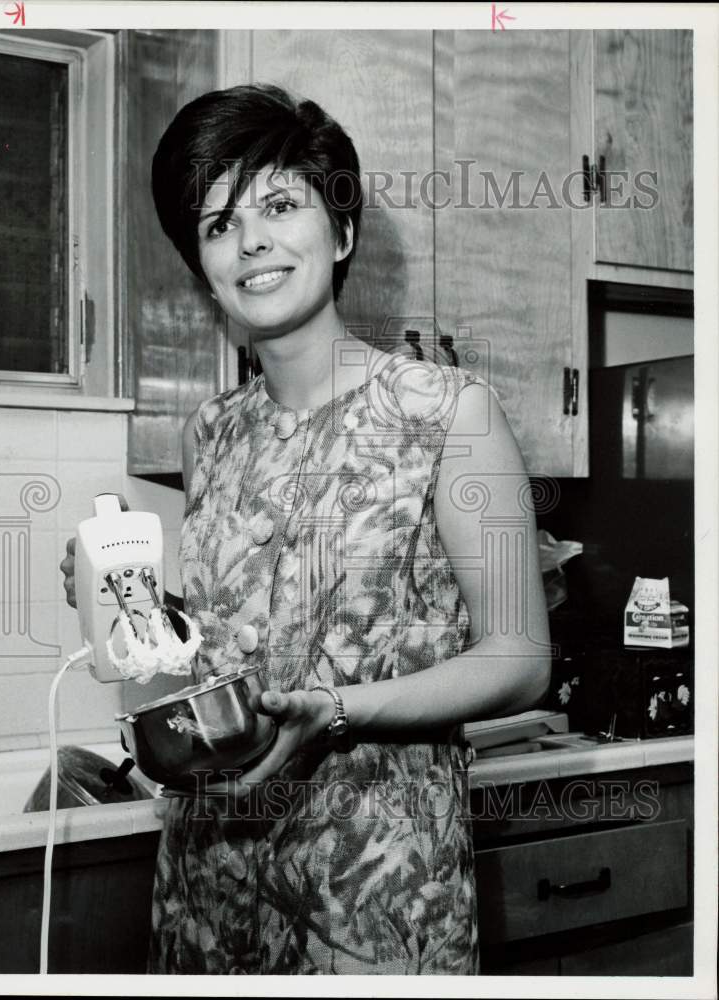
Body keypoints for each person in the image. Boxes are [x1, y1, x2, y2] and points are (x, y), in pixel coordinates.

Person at [61, 83, 550, 975]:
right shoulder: (211, 431)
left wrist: (333, 713)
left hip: (374, 887)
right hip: (211, 881)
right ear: (202, 267)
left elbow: (520, 656)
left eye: (280, 206)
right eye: (217, 225)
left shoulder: (450, 413)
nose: (250, 241)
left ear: (344, 232)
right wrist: (133, 604)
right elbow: (230, 647)